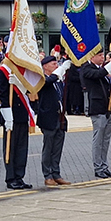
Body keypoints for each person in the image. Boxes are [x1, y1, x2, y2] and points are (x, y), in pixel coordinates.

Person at [0, 59, 34, 190]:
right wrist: (7, 115)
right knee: (11, 148)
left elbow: (29, 90)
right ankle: (11, 178)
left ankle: (19, 176)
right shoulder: (3, 72)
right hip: (10, 114)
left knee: (22, 148)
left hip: (21, 113)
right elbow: (2, 94)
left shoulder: (22, 72)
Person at [35, 55, 70, 187]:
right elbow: (47, 82)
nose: (56, 66)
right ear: (45, 66)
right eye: (53, 64)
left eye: (57, 63)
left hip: (59, 118)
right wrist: (60, 70)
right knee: (48, 148)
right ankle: (47, 175)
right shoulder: (41, 78)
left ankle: (56, 173)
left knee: (57, 148)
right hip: (48, 118)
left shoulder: (58, 79)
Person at [82, 49, 111, 179]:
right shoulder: (87, 68)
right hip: (97, 109)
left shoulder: (100, 70)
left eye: (103, 55)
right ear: (92, 57)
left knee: (105, 140)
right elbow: (98, 74)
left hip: (107, 109)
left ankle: (104, 165)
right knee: (98, 140)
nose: (102, 57)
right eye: (100, 55)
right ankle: (98, 167)